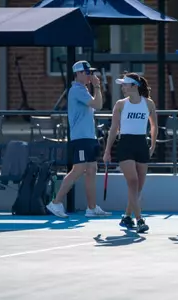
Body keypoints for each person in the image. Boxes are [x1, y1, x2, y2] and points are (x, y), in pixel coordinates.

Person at [46, 60, 111, 218]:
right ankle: (56, 203)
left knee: (91, 170)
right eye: (87, 73)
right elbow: (98, 104)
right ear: (79, 74)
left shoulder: (83, 89)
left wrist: (95, 87)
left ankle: (91, 207)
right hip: (81, 138)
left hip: (88, 137)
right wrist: (97, 86)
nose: (90, 75)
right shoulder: (77, 90)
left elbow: (98, 103)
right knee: (78, 170)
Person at [103, 72, 158, 233]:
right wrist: (107, 151)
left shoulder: (148, 104)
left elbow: (154, 126)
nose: (123, 87)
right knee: (132, 182)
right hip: (125, 144)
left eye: (125, 84)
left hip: (141, 143)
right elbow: (114, 129)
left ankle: (127, 216)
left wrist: (153, 145)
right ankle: (139, 220)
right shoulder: (120, 104)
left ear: (134, 86)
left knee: (139, 186)